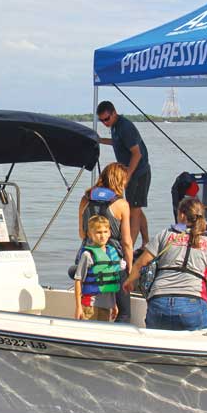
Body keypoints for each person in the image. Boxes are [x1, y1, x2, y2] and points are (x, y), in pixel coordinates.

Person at [123, 197, 207, 331]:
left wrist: (129, 281)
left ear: (181, 215)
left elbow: (140, 263)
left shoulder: (165, 235)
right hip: (191, 306)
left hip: (159, 302)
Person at [78, 162, 133, 323]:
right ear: (118, 180)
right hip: (112, 260)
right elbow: (127, 241)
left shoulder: (85, 199)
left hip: (89, 257)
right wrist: (130, 267)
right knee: (124, 312)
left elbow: (82, 233)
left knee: (92, 304)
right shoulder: (122, 204)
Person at [96, 100, 150, 250]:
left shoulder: (125, 127)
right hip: (130, 172)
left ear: (114, 113)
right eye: (101, 120)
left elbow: (137, 154)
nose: (105, 123)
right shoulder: (114, 127)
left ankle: (129, 249)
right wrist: (99, 140)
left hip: (139, 172)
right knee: (136, 207)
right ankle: (146, 242)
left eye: (107, 119)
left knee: (134, 210)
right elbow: (117, 143)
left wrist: (127, 176)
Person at [74, 215, 122, 322]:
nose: (102, 236)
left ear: (109, 233)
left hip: (106, 305)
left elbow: (110, 280)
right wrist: (78, 307)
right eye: (98, 232)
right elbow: (78, 280)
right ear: (90, 234)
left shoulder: (112, 253)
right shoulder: (87, 255)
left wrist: (114, 304)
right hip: (90, 306)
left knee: (102, 334)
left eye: (105, 232)